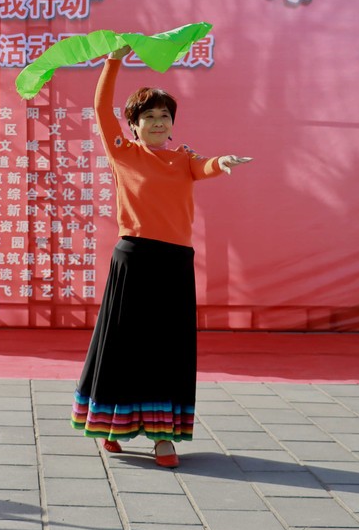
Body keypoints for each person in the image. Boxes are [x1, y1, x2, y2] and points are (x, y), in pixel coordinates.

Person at [71, 46, 252, 468]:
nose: (157, 123)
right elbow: (100, 106)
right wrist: (114, 61)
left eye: (164, 117)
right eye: (148, 117)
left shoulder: (182, 158)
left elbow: (204, 166)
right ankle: (112, 425)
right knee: (123, 347)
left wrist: (221, 162)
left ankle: (162, 439)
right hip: (133, 259)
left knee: (168, 350)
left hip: (174, 264)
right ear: (133, 125)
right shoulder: (124, 153)